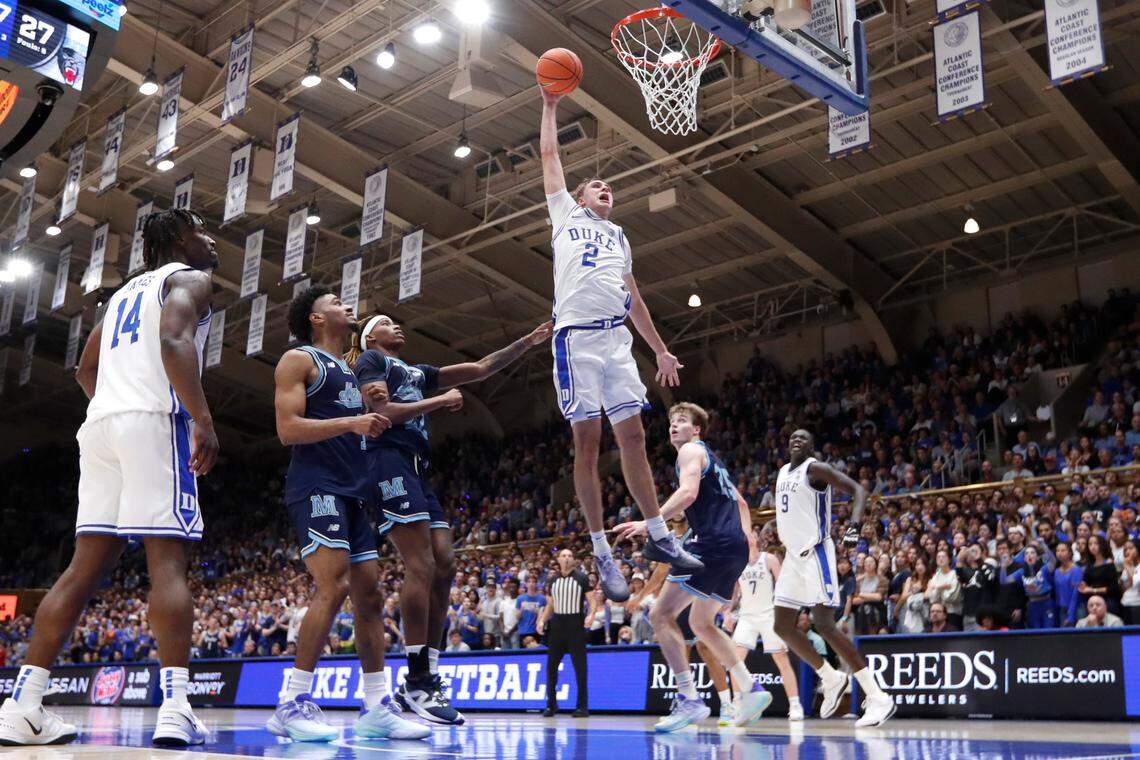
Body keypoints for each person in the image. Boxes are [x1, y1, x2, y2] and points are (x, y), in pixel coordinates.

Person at [0, 209, 220, 747]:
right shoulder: (190, 279)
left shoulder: (122, 295)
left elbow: (84, 370)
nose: (211, 239)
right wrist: (203, 418)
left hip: (99, 427)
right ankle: (175, 706)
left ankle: (22, 705)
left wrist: (117, 413)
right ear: (176, 239)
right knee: (167, 560)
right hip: (151, 419)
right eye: (201, 230)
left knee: (81, 570)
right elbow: (174, 340)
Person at [539, 85, 702, 603]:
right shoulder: (564, 214)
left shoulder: (620, 237)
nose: (604, 187)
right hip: (575, 342)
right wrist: (549, 105)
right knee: (587, 444)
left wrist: (659, 349)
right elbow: (549, 156)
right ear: (580, 197)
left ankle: (658, 535)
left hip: (614, 341)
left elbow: (635, 301)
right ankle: (600, 551)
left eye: (609, 186)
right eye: (595, 185)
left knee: (633, 439)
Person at [347, 314, 550, 724]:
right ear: (371, 336)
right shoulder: (372, 360)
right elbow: (383, 411)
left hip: (417, 467)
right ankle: (418, 678)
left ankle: (428, 675)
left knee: (446, 563)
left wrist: (526, 342)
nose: (398, 325)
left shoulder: (417, 371)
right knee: (420, 564)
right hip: (388, 460)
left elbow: (479, 369)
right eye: (387, 323)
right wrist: (439, 402)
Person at [270, 286, 427, 742]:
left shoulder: (355, 369)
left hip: (357, 491)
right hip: (317, 486)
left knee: (371, 595)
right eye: (336, 301)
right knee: (333, 585)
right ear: (317, 319)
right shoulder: (299, 360)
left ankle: (377, 705)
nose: (346, 305)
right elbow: (287, 430)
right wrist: (352, 422)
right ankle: (293, 701)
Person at [615, 403, 772, 732]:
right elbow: (742, 503)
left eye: (682, 421)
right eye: (671, 422)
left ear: (696, 430)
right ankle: (750, 689)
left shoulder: (689, 451)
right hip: (734, 549)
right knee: (701, 622)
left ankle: (689, 698)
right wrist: (745, 539)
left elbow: (688, 493)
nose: (674, 426)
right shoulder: (714, 461)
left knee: (660, 614)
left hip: (712, 543)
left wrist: (650, 523)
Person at [770, 429, 895, 728]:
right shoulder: (783, 472)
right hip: (792, 557)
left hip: (816, 554)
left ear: (812, 446)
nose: (796, 440)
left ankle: (878, 697)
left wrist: (854, 526)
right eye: (792, 437)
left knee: (824, 623)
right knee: (782, 626)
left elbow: (859, 491)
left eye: (803, 438)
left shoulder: (816, 469)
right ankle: (830, 676)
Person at [728, 534, 803, 721]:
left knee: (781, 658)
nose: (748, 535)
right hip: (746, 617)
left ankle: (795, 705)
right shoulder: (737, 563)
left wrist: (785, 612)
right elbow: (734, 593)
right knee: (734, 661)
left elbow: (783, 585)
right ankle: (737, 704)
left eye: (751, 533)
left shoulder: (769, 559)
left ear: (757, 540)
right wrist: (727, 613)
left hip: (768, 615)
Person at [536, 548, 598, 717]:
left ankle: (582, 706)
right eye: (564, 555)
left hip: (575, 625)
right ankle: (551, 704)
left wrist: (591, 614)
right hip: (557, 626)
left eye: (570, 555)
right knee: (551, 668)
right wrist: (542, 620)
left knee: (580, 668)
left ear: (573, 559)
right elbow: (550, 605)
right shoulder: (553, 580)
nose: (567, 558)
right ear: (558, 559)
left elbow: (592, 600)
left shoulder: (582, 578)